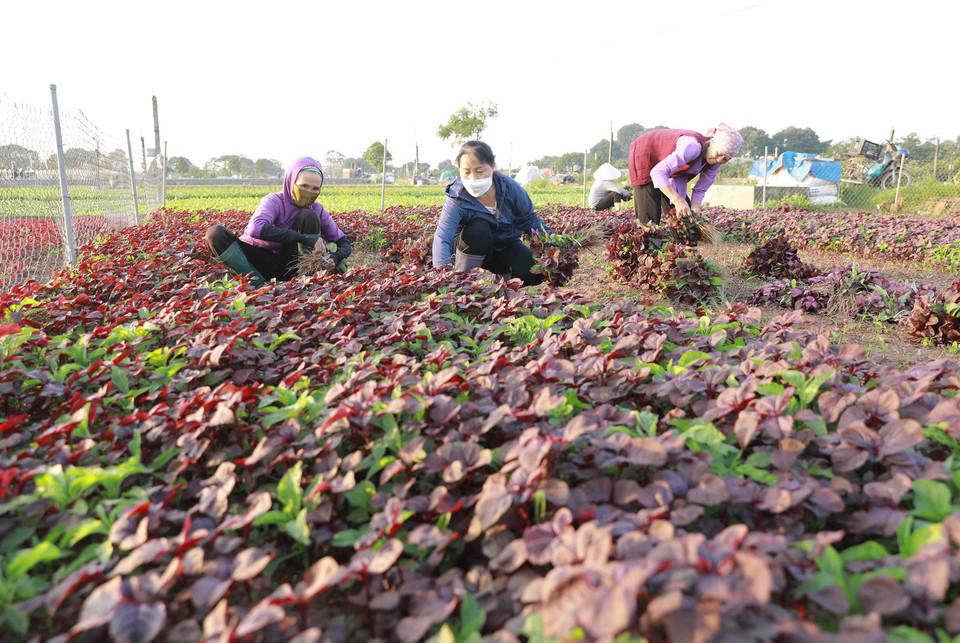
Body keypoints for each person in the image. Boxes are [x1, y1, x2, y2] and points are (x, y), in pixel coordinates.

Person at [204, 157, 352, 285]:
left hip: (290, 264)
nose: (309, 193)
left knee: (309, 215)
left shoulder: (317, 209)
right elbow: (256, 228)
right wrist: (306, 239)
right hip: (256, 260)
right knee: (215, 234)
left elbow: (344, 242)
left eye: (315, 189)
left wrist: (336, 257)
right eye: (304, 186)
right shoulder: (274, 201)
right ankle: (256, 283)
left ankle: (306, 278)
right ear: (291, 181)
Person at [432, 140, 554, 286]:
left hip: (504, 246)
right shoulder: (457, 198)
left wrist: (551, 239)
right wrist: (442, 277)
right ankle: (463, 281)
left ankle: (502, 282)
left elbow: (528, 220)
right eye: (466, 172)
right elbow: (442, 238)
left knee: (535, 272)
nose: (473, 178)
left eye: (480, 171)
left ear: (492, 167)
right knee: (479, 229)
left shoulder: (509, 188)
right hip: (469, 249)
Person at [628, 123, 743, 228]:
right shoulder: (692, 147)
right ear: (712, 142)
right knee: (650, 216)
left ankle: (684, 247)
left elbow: (700, 190)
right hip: (646, 153)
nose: (719, 160)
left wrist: (695, 211)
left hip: (668, 170)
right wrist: (677, 199)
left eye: (726, 159)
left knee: (685, 217)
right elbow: (657, 172)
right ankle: (648, 247)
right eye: (719, 154)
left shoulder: (715, 163)